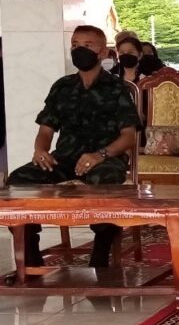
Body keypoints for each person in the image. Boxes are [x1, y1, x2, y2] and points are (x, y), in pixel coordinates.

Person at [7, 25, 140, 268]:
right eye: (75, 45)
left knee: (105, 181)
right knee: (18, 180)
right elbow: (46, 129)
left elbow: (129, 137)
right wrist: (40, 150)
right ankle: (31, 256)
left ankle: (100, 255)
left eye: (87, 46)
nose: (79, 50)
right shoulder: (62, 86)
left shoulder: (117, 88)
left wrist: (100, 155)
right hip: (65, 159)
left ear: (103, 53)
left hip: (105, 159)